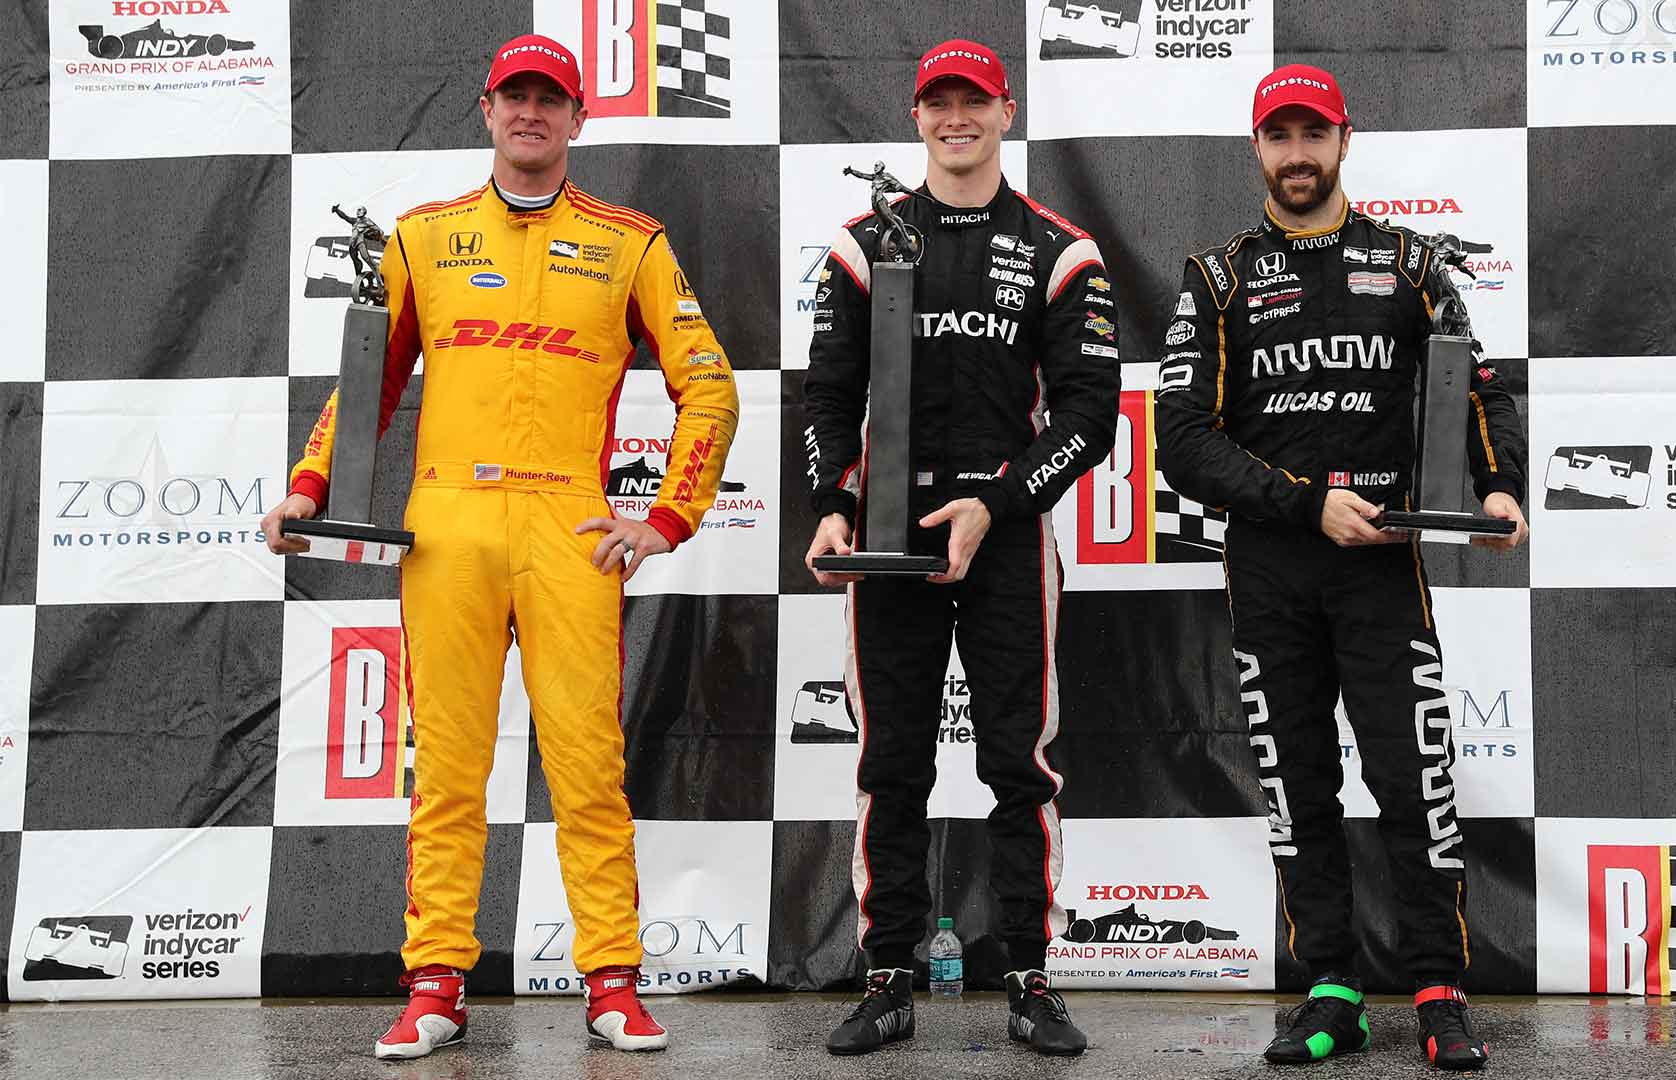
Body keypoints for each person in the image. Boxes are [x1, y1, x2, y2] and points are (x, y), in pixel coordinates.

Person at [261, 34, 739, 1061]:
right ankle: (436, 985)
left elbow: (710, 384)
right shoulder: (423, 236)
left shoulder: (631, 240)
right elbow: (369, 380)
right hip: (450, 531)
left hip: (571, 530)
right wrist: (308, 486)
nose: (531, 114)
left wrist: (661, 518)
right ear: (485, 109)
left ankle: (612, 981)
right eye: (514, 97)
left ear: (579, 117)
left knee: (588, 767)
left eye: (550, 99)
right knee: (446, 769)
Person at [1153, 65, 1526, 1071]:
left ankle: (1440, 988)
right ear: (1255, 149)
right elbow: (1179, 439)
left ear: (1345, 140)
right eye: (1279, 136)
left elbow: (1475, 386)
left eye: (1313, 133)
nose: (1298, 153)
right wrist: (1303, 503)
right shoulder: (1220, 275)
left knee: (1414, 779)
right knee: (1297, 783)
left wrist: (1497, 488)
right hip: (1271, 567)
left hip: (1381, 567)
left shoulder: (1409, 264)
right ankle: (1330, 988)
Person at [802, 38, 1119, 1059]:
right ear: (916, 117)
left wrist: (1001, 502)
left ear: (1005, 111)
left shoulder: (1061, 246)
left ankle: (1029, 976)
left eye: (972, 102)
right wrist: (830, 506)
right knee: (891, 764)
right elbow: (826, 397)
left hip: (1009, 538)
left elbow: (1089, 411)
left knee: (1019, 766)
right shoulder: (861, 244)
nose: (955, 119)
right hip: (887, 546)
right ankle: (889, 974)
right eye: (938, 103)